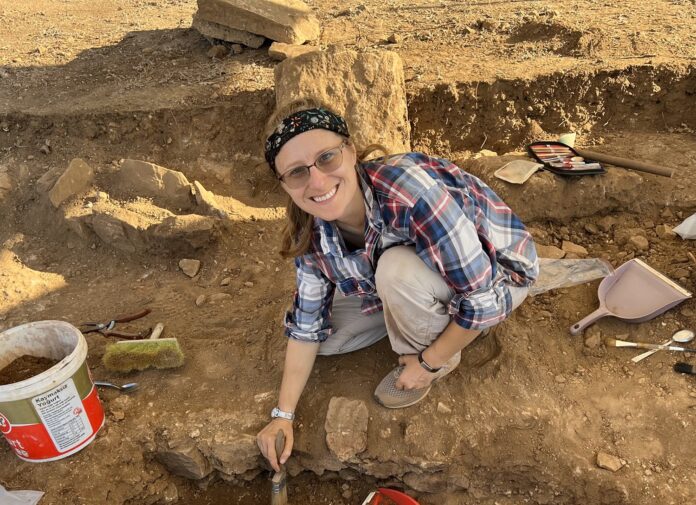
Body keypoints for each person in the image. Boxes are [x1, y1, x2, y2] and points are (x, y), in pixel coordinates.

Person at [256, 100, 539, 472]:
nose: (317, 181)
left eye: (326, 158)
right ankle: (421, 317)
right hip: (412, 282)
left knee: (395, 271)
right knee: (321, 341)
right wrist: (283, 415)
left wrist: (426, 362)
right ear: (285, 185)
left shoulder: (408, 190)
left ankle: (436, 354)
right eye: (296, 173)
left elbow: (482, 296)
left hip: (496, 275)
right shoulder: (309, 230)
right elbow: (307, 326)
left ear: (351, 150)